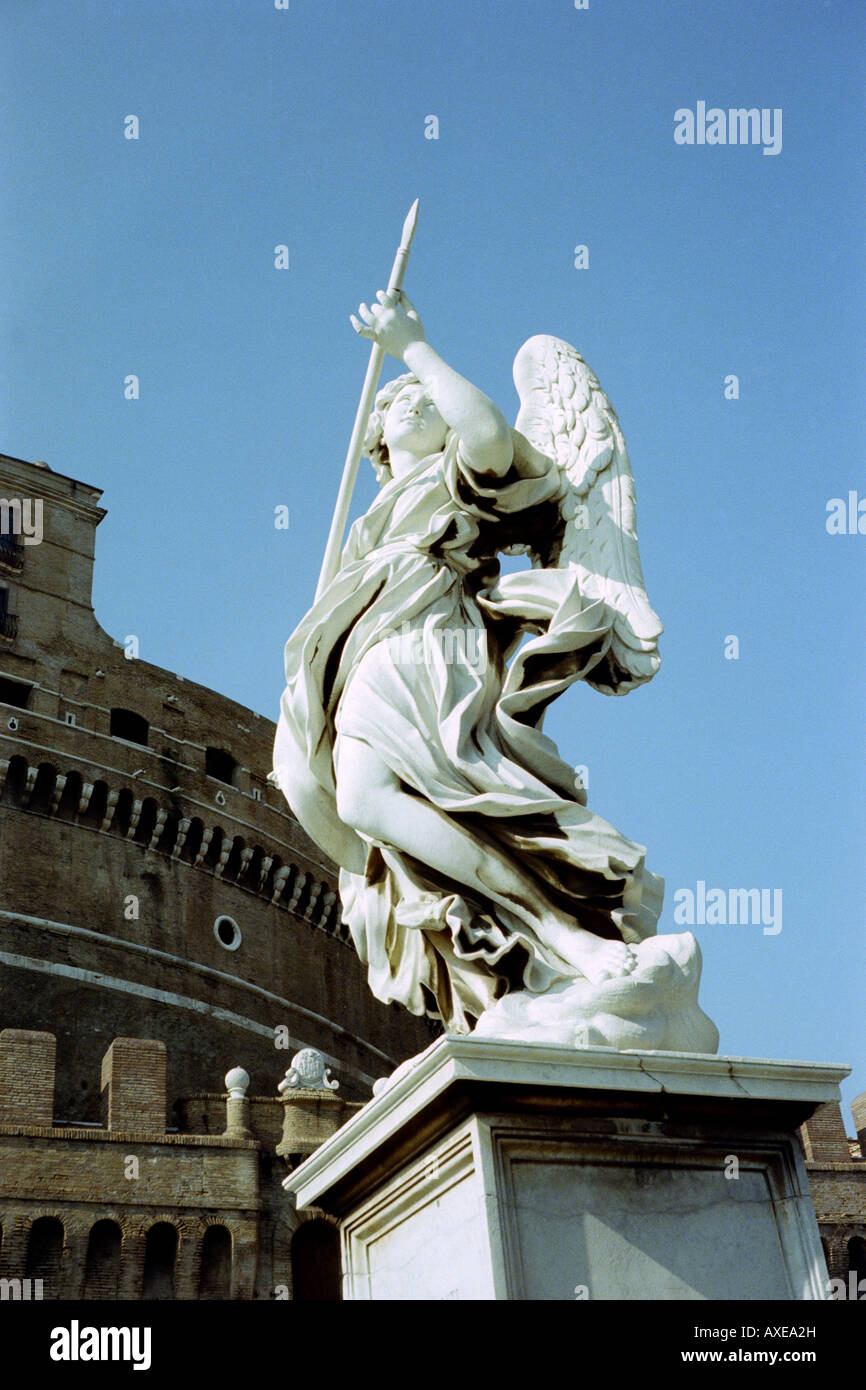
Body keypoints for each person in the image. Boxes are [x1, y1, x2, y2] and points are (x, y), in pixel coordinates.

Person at [273, 289, 663, 1032]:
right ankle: (534, 942)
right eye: (399, 401)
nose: (417, 401)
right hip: (363, 649)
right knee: (348, 798)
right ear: (377, 439)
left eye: (426, 394)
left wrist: (412, 345)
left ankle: (560, 933)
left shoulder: (456, 476)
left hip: (429, 636)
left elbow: (485, 432)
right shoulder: (368, 524)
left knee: (398, 793)